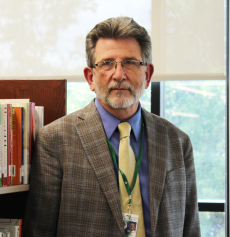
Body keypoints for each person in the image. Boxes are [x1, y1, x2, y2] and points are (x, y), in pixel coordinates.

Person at [23, 16, 200, 237]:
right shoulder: (55, 140)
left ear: (148, 75)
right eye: (107, 63)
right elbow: (39, 230)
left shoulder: (177, 141)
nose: (119, 74)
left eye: (130, 62)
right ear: (90, 77)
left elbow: (190, 228)